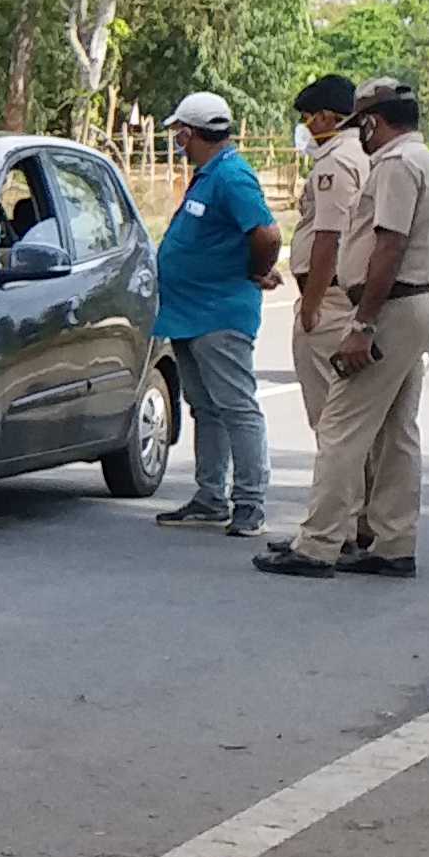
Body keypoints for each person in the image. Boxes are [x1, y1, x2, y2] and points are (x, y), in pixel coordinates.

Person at [261, 75, 429, 581]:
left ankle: (319, 543)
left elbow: (387, 246)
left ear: (372, 120)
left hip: (389, 307)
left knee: (341, 427)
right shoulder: (425, 160)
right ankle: (393, 542)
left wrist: (362, 323)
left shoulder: (394, 165)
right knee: (396, 431)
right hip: (420, 302)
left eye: (361, 124)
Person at [146, 91, 279, 536]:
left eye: (179, 133)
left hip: (219, 312)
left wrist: (257, 270)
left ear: (188, 133)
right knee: (206, 406)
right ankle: (210, 496)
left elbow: (266, 233)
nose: (177, 141)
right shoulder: (210, 176)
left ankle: (249, 501)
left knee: (236, 406)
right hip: (189, 312)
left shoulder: (232, 177)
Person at [284, 71, 366, 433]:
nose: (307, 126)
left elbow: (328, 238)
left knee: (330, 419)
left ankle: (343, 491)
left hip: (330, 299)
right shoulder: (366, 152)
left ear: (329, 118)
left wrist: (311, 307)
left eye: (310, 117)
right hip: (345, 295)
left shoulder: (336, 160)